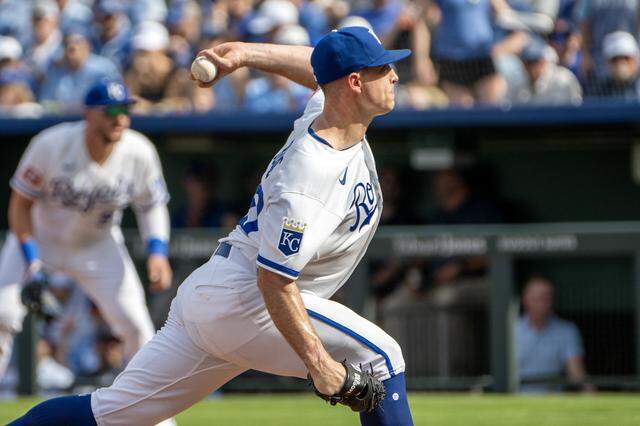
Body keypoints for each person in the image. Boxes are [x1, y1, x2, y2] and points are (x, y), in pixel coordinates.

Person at [10, 27, 414, 426]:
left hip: (215, 294)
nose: (394, 75)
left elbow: (321, 70)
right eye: (383, 70)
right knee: (381, 357)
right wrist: (319, 363)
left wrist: (245, 53)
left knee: (110, 413)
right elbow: (274, 282)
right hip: (248, 301)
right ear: (356, 83)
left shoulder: (324, 112)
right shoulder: (311, 174)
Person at [0, 80, 173, 389]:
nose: (120, 118)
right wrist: (32, 261)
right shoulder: (51, 144)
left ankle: (156, 418)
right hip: (41, 238)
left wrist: (158, 251)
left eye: (126, 110)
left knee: (136, 327)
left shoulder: (139, 151)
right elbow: (20, 205)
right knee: (2, 315)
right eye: (112, 111)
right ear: (89, 114)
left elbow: (152, 206)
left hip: (98, 244)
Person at [516, 276, 593, 393]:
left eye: (545, 298)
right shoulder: (511, 331)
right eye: (536, 298)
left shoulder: (566, 331)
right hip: (517, 400)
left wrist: (591, 394)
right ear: (525, 300)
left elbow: (576, 372)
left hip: (552, 399)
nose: (541, 303)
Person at [507, 37, 582, 105]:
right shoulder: (517, 82)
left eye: (535, 62)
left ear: (544, 61)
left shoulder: (563, 78)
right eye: (528, 63)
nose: (531, 67)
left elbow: (576, 110)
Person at [585, 31, 640, 101]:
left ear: (635, 60)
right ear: (607, 62)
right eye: (615, 59)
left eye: (626, 58)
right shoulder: (598, 91)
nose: (621, 63)